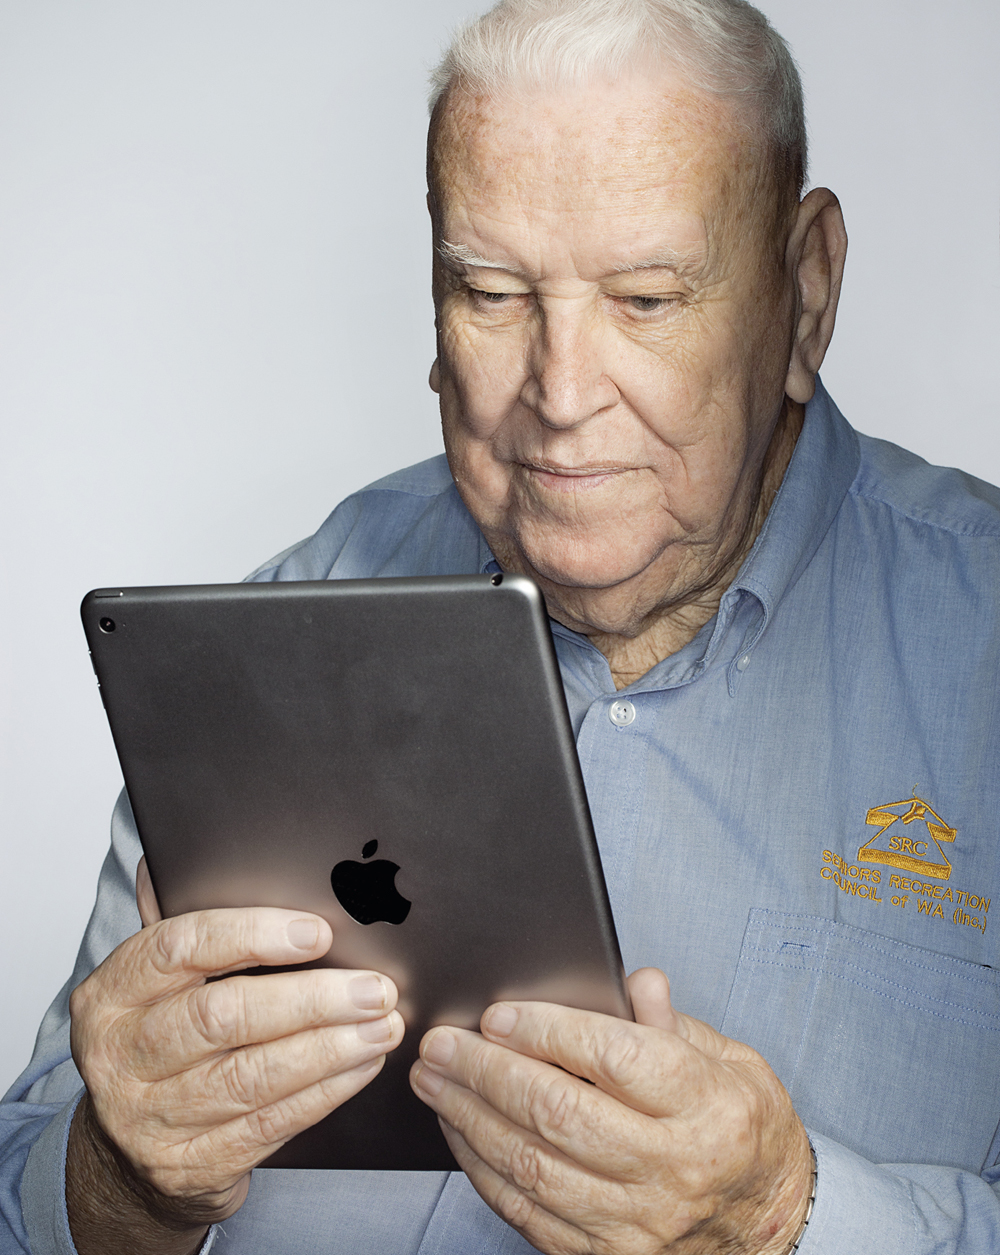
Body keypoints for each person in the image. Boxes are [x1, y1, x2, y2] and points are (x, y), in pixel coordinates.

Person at [3, 0, 999, 1251]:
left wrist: (779, 1216)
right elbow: (24, 1193)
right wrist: (123, 1178)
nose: (561, 394)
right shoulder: (266, 631)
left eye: (644, 298)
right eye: (488, 290)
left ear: (804, 294)